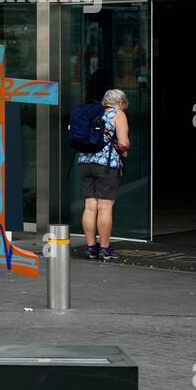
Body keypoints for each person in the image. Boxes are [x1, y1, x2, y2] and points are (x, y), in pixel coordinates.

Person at [77, 89, 130, 262]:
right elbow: (123, 142)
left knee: (90, 206)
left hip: (85, 163)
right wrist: (125, 149)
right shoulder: (118, 114)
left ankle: (92, 249)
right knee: (105, 208)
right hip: (106, 167)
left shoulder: (93, 113)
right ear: (121, 102)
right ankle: (105, 250)